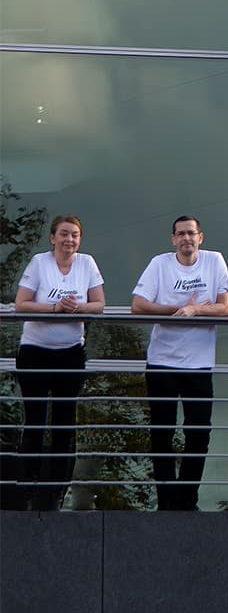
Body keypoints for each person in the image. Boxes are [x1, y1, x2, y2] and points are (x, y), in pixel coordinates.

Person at [131, 215, 228, 511]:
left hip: (199, 365)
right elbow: (138, 304)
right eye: (181, 234)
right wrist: (178, 308)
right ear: (173, 239)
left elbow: (225, 308)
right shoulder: (160, 264)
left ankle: (187, 499)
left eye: (191, 233)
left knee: (199, 433)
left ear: (201, 237)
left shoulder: (215, 261)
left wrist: (196, 311)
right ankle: (166, 501)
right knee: (162, 432)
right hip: (162, 362)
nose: (187, 238)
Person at [13, 214, 105, 511]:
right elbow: (22, 304)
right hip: (35, 352)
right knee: (36, 421)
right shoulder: (40, 263)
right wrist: (54, 307)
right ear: (53, 238)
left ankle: (57, 490)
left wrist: (77, 307)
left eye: (75, 235)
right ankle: (28, 489)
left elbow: (99, 304)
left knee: (64, 425)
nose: (69, 240)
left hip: (70, 353)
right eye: (64, 234)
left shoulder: (87, 263)